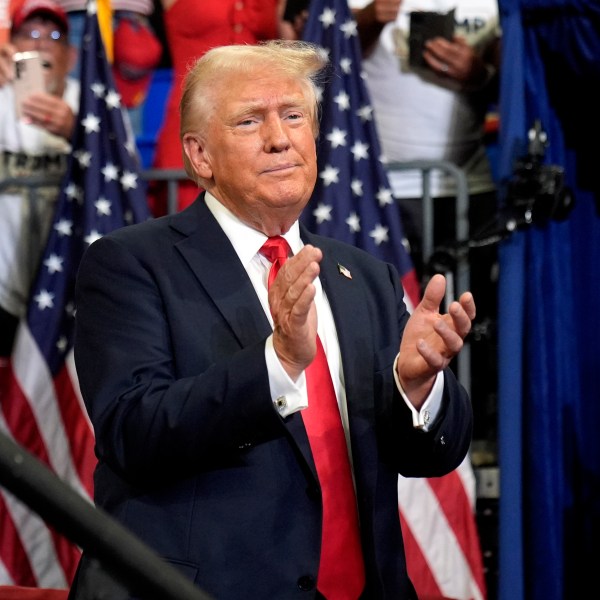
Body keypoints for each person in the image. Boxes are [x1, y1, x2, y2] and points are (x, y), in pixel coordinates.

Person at [69, 41, 476, 599]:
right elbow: (133, 433)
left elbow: (431, 456)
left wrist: (417, 388)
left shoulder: (367, 277)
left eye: (293, 116)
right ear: (200, 155)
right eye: (248, 120)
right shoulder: (131, 264)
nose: (280, 138)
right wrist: (278, 362)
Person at [350, 0, 501, 449]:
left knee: (468, 321)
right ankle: (387, 433)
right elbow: (324, 57)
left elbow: (512, 75)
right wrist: (369, 19)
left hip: (466, 186)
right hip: (381, 191)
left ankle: (463, 438)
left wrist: (482, 76)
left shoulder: (494, 4)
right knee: (386, 319)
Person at [147, 0, 297, 216]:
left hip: (260, 125)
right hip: (195, 119)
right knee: (186, 226)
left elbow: (292, 53)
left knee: (261, 224)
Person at [0, 0, 78, 357]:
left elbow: (124, 170)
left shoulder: (92, 104)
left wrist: (77, 133)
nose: (42, 43)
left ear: (71, 55)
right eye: (30, 33)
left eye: (54, 35)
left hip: (68, 278)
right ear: (11, 46)